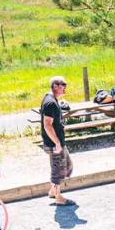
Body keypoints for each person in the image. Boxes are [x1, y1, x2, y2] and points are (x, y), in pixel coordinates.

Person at [41, 76, 75, 206]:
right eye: (63, 85)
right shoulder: (50, 103)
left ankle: (52, 191)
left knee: (68, 166)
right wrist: (57, 143)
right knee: (58, 171)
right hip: (54, 144)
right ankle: (58, 197)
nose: (65, 88)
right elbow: (47, 125)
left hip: (58, 142)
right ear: (55, 86)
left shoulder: (52, 100)